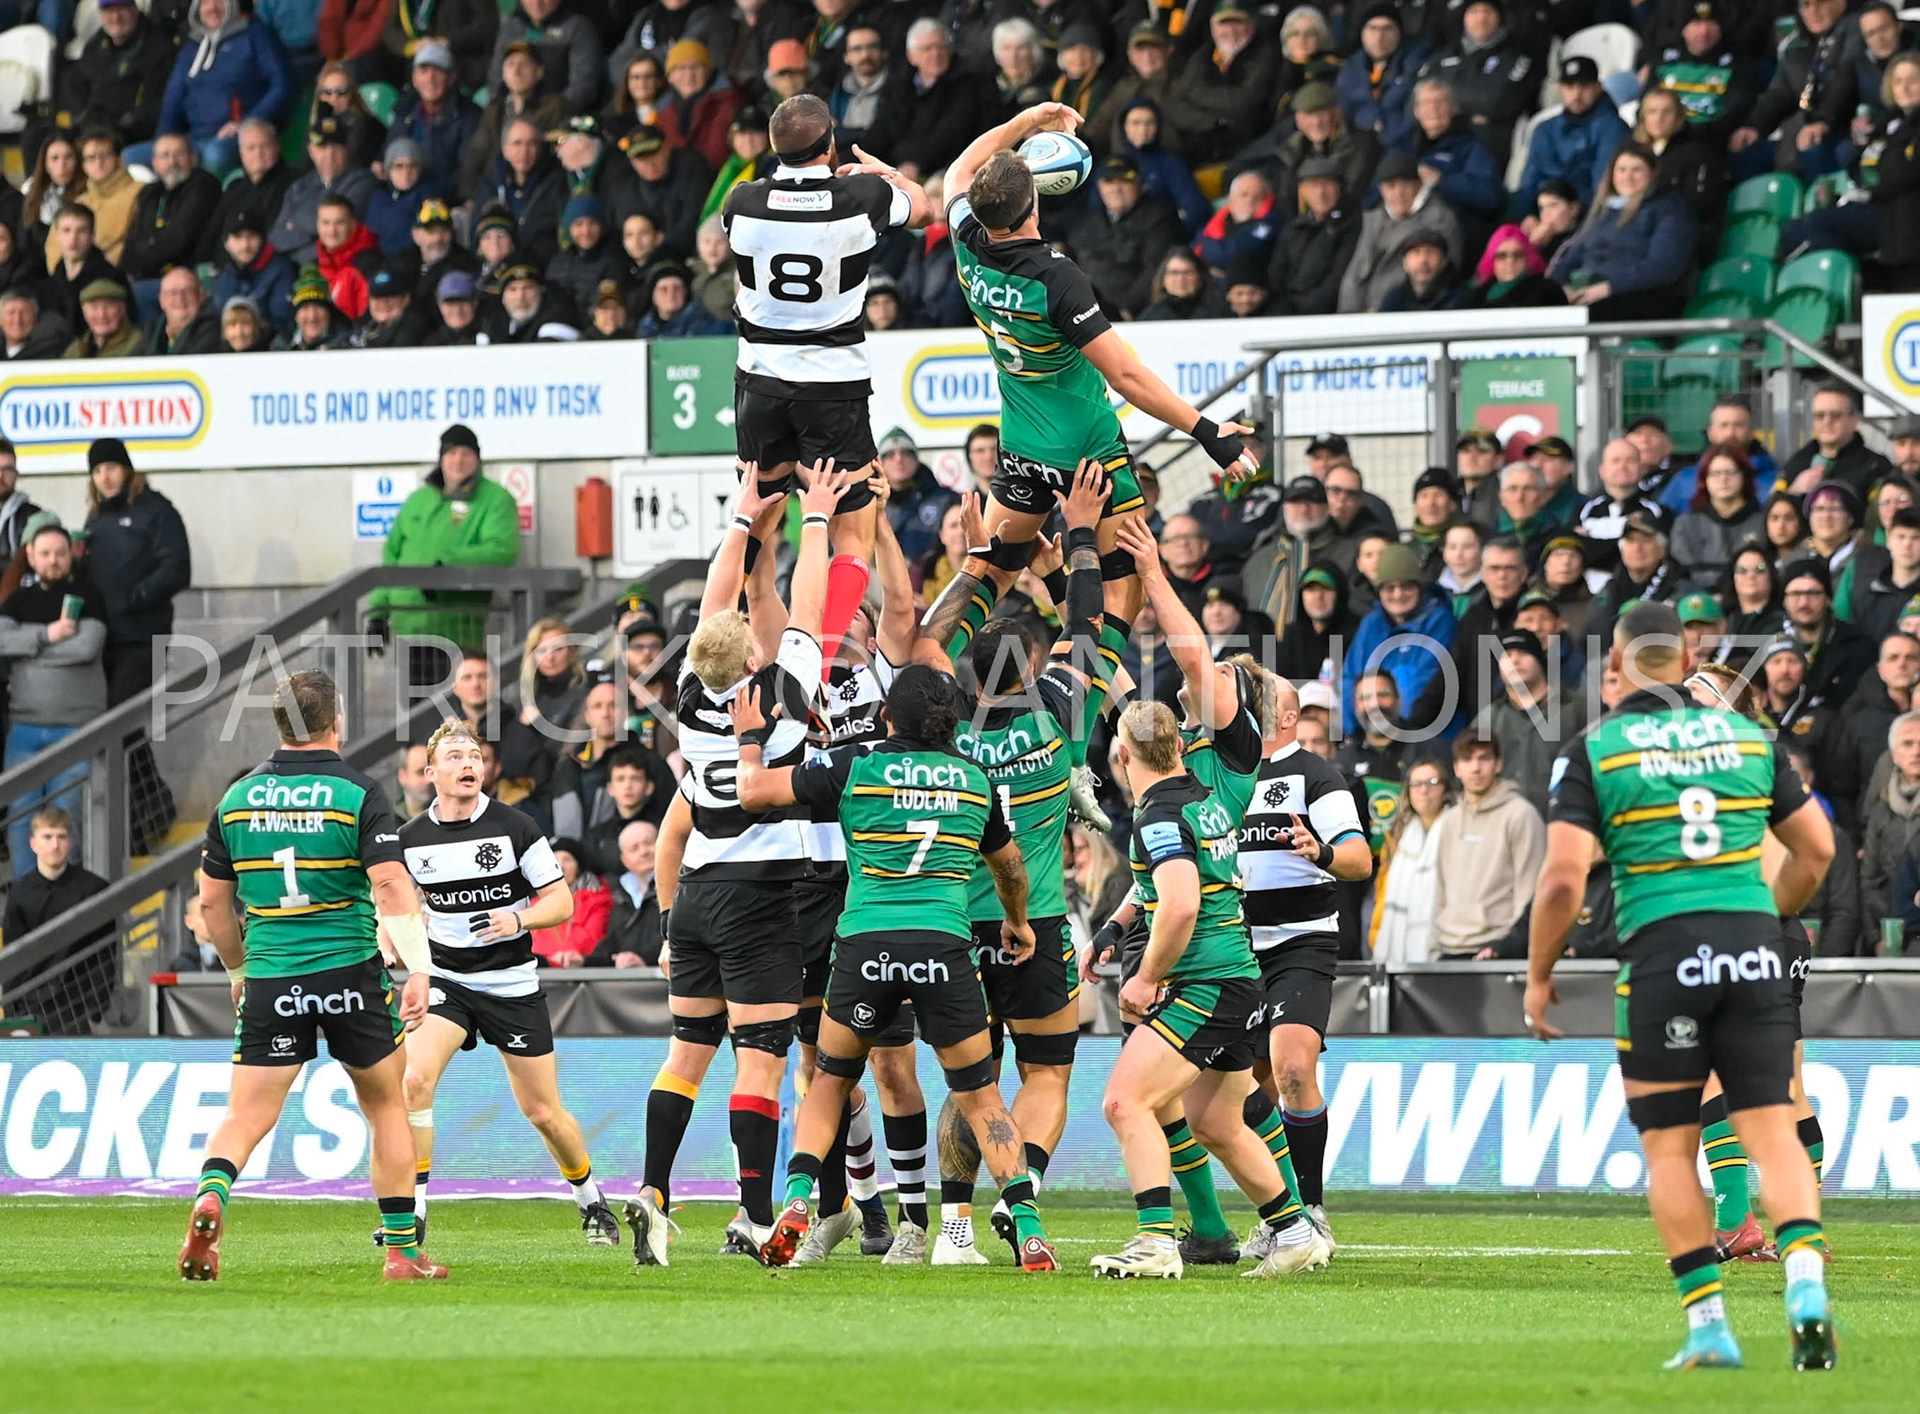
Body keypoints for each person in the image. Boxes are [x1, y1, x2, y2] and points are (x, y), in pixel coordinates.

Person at [1528, 602, 1838, 1372]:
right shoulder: (1750, 739)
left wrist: (1539, 975)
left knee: (1671, 1150)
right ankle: (1806, 1287)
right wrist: (1772, 915)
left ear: (1622, 663)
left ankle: (1709, 1327)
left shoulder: (1597, 746)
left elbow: (1564, 879)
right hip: (1752, 946)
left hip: (1664, 955)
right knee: (1774, 1122)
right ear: (1683, 657)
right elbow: (1819, 850)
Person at [918, 100, 1257, 783]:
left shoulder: (968, 242)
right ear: (1036, 203)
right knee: (1119, 596)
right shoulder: (1057, 280)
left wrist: (1025, 121)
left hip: (1018, 449)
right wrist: (1207, 431)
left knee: (988, 568)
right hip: (1087, 456)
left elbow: (958, 168)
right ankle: (1074, 755)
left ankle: (907, 692)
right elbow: (1125, 374)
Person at [730, 660, 1058, 1272]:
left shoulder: (855, 764)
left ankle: (797, 1203)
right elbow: (1011, 867)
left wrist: (750, 738)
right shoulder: (974, 779)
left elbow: (752, 794)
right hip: (943, 948)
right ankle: (1031, 1230)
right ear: (951, 724)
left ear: (886, 717)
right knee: (984, 1098)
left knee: (829, 1081)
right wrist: (1017, 920)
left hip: (863, 947)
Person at [628, 466, 852, 1267]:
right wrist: (817, 518)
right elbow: (816, 605)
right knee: (760, 1061)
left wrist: (742, 520)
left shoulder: (689, 697)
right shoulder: (786, 693)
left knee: (685, 1055)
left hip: (694, 895)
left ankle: (653, 1191)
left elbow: (716, 601)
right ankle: (756, 1213)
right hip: (760, 900)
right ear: (754, 655)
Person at [185, 671, 441, 1282]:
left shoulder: (236, 798)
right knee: (385, 1110)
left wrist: (238, 969)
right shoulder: (357, 793)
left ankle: (213, 1194)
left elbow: (214, 906)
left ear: (278, 723)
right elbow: (389, 885)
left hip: (273, 976)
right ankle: (402, 1254)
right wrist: (420, 967)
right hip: (351, 973)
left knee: (245, 1116)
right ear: (337, 720)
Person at [1080, 698, 1327, 1279]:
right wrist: (1116, 927)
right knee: (1217, 1123)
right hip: (1238, 979)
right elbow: (1171, 888)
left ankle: (1155, 1241)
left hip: (1204, 984)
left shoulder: (1158, 818)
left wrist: (1144, 978)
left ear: (1122, 755)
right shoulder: (1204, 800)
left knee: (1126, 1102)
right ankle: (1295, 1232)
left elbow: (1182, 903)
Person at [390, 718, 623, 1252]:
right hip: (449, 980)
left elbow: (561, 902)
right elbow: (396, 908)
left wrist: (518, 922)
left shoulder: (516, 826)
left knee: (542, 1111)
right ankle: (414, 1210)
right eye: (454, 756)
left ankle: (590, 1198)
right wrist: (395, 943)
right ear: (430, 773)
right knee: (414, 1083)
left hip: (513, 985)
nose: (468, 763)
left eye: (473, 755)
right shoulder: (410, 840)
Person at [366, 424, 522, 689]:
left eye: (465, 453)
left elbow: (501, 550)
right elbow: (391, 557)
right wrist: (379, 612)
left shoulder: (495, 500)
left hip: (456, 629)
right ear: (441, 458)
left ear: (477, 458)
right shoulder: (419, 499)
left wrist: (445, 568)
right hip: (409, 627)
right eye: (450, 453)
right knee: (414, 721)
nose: (457, 461)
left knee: (456, 716)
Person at [0, 513, 108, 876]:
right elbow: (1, 641)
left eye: (60, 553)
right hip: (24, 730)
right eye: (45, 553)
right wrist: (50, 635)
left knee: (67, 821)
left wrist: (29, 652)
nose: (53, 560)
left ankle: (65, 909)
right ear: (31, 556)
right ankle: (26, 902)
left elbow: (86, 648)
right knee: (20, 820)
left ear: (70, 555)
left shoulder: (89, 595)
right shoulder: (18, 600)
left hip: (75, 729)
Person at [79, 439, 189, 708]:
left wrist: (134, 598)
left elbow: (177, 568)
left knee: (120, 718)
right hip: (103, 637)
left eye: (111, 467)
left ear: (127, 469)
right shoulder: (95, 518)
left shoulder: (156, 510)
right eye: (97, 471)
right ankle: (140, 754)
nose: (104, 477)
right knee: (118, 727)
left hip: (142, 638)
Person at [1547, 143, 1696, 321]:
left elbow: (1663, 267)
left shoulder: (1669, 209)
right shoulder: (1602, 212)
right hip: (1589, 292)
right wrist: (1562, 289)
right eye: (1621, 170)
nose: (1628, 177)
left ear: (1654, 172)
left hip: (1639, 298)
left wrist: (1610, 287)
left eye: (1637, 170)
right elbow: (1570, 259)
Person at [1430, 730, 1545, 959]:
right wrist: (1433, 944)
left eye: (1484, 758)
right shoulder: (1448, 820)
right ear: (1456, 768)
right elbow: (1438, 891)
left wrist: (1514, 945)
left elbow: (1531, 891)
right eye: (1467, 759)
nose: (1475, 768)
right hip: (1448, 947)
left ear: (1498, 764)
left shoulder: (1521, 815)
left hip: (1498, 948)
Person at [0, 807, 112, 1033]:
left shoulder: (93, 889)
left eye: (61, 837)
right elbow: (13, 956)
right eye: (47, 837)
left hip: (77, 1005)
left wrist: (96, 1011)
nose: (55, 845)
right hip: (29, 1006)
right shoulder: (20, 893)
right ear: (33, 843)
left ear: (70, 842)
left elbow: (105, 953)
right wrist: (11, 1010)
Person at [153, 0, 295, 177]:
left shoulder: (255, 34)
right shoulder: (191, 46)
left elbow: (280, 86)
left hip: (235, 137)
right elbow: (173, 99)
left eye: (220, 1)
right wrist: (163, 140)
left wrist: (246, 123)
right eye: (205, 2)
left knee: (215, 156)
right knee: (134, 156)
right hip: (193, 139)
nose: (212, 7)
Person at [1728, 0, 1858, 183]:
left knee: (1814, 147)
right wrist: (1754, 125)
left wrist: (1823, 121)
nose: (1813, 11)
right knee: (1745, 152)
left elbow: (1846, 83)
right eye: (1806, 5)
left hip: (1841, 126)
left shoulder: (1856, 32)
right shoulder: (1796, 47)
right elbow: (1779, 94)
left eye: (1821, 3)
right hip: (1799, 131)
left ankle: (1821, 207)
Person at [1340, 542, 1455, 732]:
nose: (1398, 594)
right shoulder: (1371, 624)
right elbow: (1349, 678)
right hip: (1370, 731)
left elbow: (1424, 679)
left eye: (1406, 586)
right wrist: (1352, 731)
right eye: (1389, 588)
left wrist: (1400, 735)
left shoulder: (1440, 621)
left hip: (1420, 732)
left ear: (1420, 588)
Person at [1471, 628, 1586, 819]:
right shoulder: (1487, 719)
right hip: (1504, 827)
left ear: (1539, 660)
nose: (1515, 661)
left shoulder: (1578, 709)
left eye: (1523, 653)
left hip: (1566, 824)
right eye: (1506, 655)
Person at [1069, 156, 1187, 319]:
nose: (1116, 188)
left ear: (1139, 183)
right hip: (1091, 314)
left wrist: (1126, 307)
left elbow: (1155, 271)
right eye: (1109, 181)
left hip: (1140, 314)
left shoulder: (1160, 219)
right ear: (1100, 187)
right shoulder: (1087, 223)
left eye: (1124, 180)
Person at [1515, 55, 1627, 211]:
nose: (1576, 94)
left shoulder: (1613, 128)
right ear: (1560, 88)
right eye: (1570, 86)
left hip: (1585, 219)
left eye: (1584, 86)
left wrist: (1562, 213)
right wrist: (1528, 217)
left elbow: (1602, 188)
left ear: (1598, 87)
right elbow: (1529, 183)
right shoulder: (1545, 129)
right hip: (1542, 214)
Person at [1369, 761, 1449, 963]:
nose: (1424, 790)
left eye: (1432, 782)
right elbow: (1382, 896)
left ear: (1446, 789)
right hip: (1397, 945)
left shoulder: (1458, 830)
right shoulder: (1397, 837)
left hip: (1446, 943)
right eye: (1416, 783)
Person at [121, 133, 221, 294]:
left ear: (193, 158)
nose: (172, 162)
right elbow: (134, 238)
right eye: (165, 156)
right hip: (149, 273)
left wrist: (140, 265)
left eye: (179, 154)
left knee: (133, 296)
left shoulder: (203, 186)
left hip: (187, 276)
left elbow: (179, 239)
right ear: (154, 163)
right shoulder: (150, 193)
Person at [1781, 555, 1876, 711]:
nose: (1804, 602)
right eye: (1796, 594)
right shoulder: (1770, 645)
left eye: (1813, 593)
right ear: (1784, 600)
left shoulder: (1859, 648)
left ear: (1828, 598)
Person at [1779, 383, 1895, 499]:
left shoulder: (1876, 466)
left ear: (1854, 421)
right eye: (1819, 416)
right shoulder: (1797, 461)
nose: (1827, 421)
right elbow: (1772, 511)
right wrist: (1794, 491)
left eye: (1836, 415)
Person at [1671, 442, 1765, 583]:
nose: (1723, 479)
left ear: (1744, 477)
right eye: (1716, 473)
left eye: (1730, 472)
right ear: (1704, 480)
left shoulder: (1763, 522)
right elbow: (1682, 572)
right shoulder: (1686, 524)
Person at [490, 0, 604, 114]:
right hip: (512, 116)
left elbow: (583, 88)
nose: (537, 3)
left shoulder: (577, 29)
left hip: (560, 120)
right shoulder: (510, 30)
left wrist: (546, 115)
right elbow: (496, 82)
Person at [595, 819, 664, 966]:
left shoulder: (681, 884)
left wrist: (642, 958)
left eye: (649, 843)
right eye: (634, 848)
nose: (644, 851)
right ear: (624, 860)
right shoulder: (617, 894)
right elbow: (612, 942)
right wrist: (583, 960)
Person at [1455, 223, 1567, 309]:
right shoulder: (1476, 296)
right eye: (1502, 256)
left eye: (1517, 255)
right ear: (1491, 261)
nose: (1510, 261)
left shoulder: (1548, 291)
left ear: (1529, 258)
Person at [140, 267, 222, 355]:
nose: (180, 299)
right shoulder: (152, 329)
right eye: (173, 293)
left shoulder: (212, 329)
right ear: (161, 300)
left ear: (201, 297)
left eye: (188, 291)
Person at [63, 279, 143, 359]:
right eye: (94, 307)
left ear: (122, 310)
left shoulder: (140, 346)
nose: (101, 315)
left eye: (109, 306)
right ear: (84, 312)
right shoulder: (75, 350)